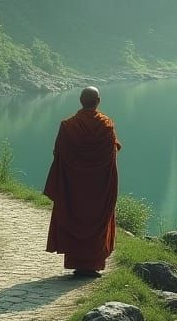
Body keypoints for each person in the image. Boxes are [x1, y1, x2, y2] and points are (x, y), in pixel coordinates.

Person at [44, 85, 122, 276]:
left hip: (74, 187)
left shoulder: (68, 125)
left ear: (80, 100)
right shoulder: (106, 125)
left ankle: (78, 264)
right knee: (96, 218)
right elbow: (112, 153)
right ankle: (93, 264)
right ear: (98, 101)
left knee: (74, 215)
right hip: (98, 188)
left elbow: (58, 153)